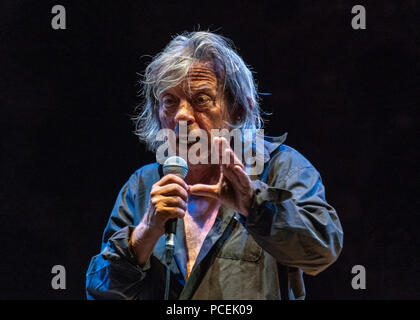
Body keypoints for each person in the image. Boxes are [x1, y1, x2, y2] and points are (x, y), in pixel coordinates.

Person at [85, 31, 343, 300]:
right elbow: (100, 294)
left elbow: (322, 250)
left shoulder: (281, 168)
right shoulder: (142, 186)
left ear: (239, 109)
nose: (182, 115)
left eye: (201, 99)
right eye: (170, 101)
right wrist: (145, 232)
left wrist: (253, 205)